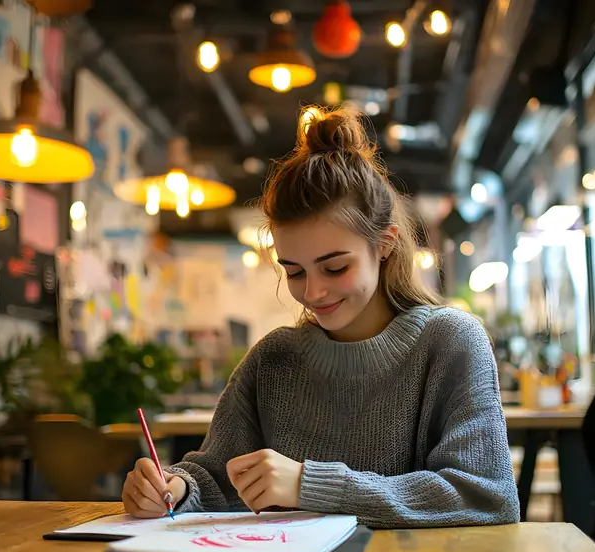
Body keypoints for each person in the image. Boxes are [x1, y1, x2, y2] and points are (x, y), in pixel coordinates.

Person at [122, 107, 520, 528]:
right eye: (293, 271)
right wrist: (174, 488)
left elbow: (487, 495)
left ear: (384, 244)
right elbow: (219, 477)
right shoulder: (273, 359)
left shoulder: (451, 342)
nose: (311, 293)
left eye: (334, 268)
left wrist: (309, 485)